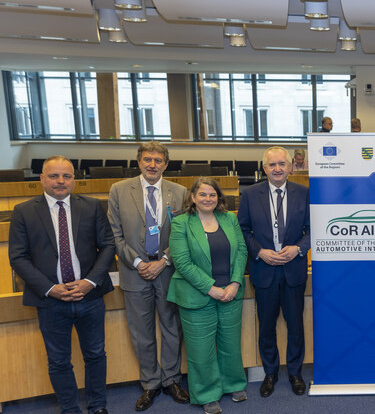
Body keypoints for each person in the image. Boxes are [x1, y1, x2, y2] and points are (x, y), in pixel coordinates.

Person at [9, 156, 115, 414]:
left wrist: (90, 282)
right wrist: (49, 288)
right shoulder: (24, 211)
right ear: (42, 179)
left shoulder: (91, 206)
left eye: (66, 176)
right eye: (54, 176)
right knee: (58, 360)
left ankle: (98, 406)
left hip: (89, 297)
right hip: (50, 300)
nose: (60, 181)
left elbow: (108, 246)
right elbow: (18, 257)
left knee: (96, 354)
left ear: (74, 180)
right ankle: (70, 409)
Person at [107, 142, 190, 411]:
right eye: (147, 159)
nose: (152, 165)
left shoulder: (180, 192)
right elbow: (114, 235)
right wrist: (139, 262)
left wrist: (164, 261)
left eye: (158, 160)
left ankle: (171, 379)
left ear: (166, 164)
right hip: (135, 272)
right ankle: (151, 383)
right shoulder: (119, 190)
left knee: (171, 328)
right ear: (138, 162)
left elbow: (184, 235)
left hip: (168, 271)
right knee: (141, 332)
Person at [168, 177, 248, 414]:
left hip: (230, 293)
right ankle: (206, 393)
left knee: (230, 344)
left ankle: (233, 384)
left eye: (212, 194)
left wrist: (235, 282)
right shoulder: (181, 223)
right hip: (197, 295)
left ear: (218, 197)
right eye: (202, 194)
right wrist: (211, 288)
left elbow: (242, 251)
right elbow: (182, 262)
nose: (207, 198)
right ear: (193, 197)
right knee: (201, 350)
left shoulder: (229, 218)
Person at [237, 146, 311, 398]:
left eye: (282, 164)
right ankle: (270, 373)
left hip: (293, 269)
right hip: (264, 270)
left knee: (296, 326)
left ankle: (295, 373)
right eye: (272, 165)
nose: (277, 169)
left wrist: (298, 249)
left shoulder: (304, 193)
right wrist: (260, 251)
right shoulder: (250, 194)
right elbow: (242, 230)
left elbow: (312, 229)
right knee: (266, 326)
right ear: (264, 168)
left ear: (290, 167)